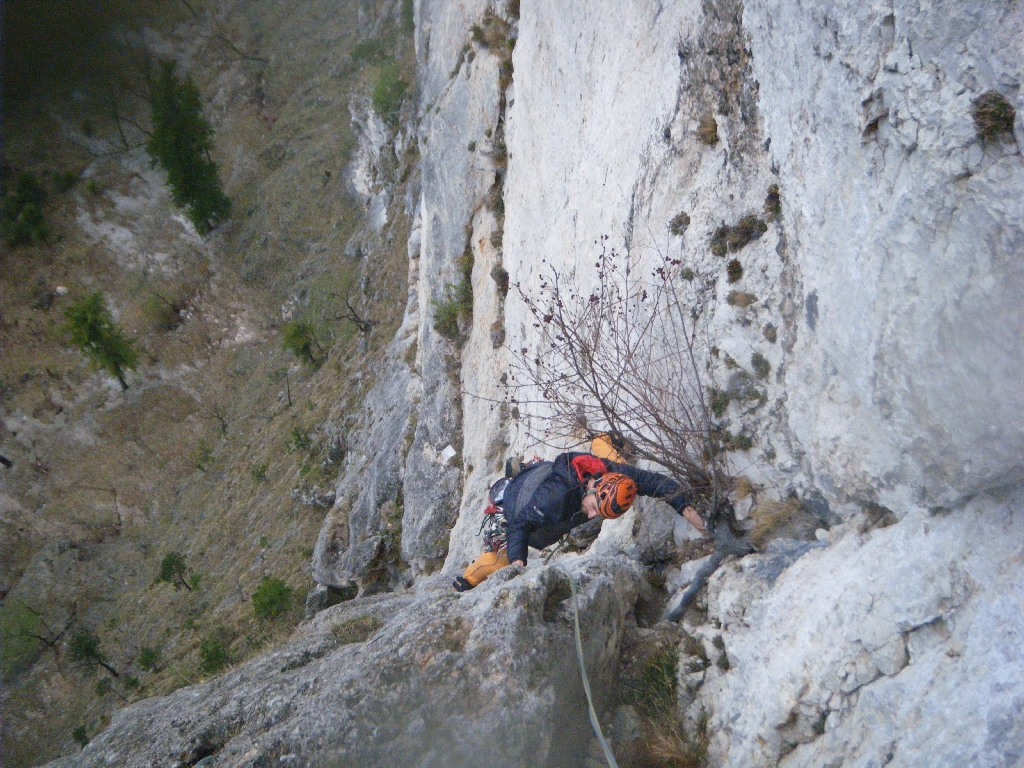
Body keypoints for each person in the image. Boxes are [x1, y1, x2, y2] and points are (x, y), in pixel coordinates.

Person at [453, 450, 707, 592]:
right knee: (509, 554)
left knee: (609, 463)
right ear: (593, 486)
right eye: (596, 508)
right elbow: (520, 523)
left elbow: (653, 482)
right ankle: (466, 580)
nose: (594, 516)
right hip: (516, 507)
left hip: (544, 482)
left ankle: (605, 441)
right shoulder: (554, 500)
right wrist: (518, 563)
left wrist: (685, 508)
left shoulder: (604, 473)